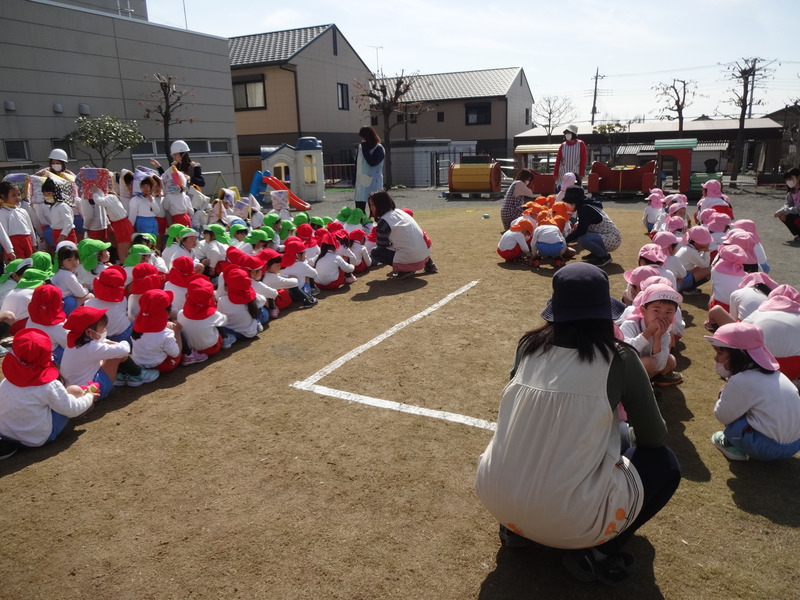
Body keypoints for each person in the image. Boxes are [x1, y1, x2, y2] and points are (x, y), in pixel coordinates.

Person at [475, 263, 679, 585]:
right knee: (664, 463)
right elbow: (654, 437)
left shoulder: (528, 346)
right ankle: (598, 553)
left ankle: (518, 530)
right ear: (604, 314)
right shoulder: (620, 358)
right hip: (571, 520)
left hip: (496, 496)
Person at [705, 322, 800, 461]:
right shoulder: (778, 375)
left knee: (734, 423)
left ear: (739, 354)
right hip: (795, 445)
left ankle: (731, 444)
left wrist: (723, 395)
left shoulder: (741, 380)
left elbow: (722, 415)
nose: (716, 358)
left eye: (720, 353)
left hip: (765, 448)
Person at [0, 328, 96, 454]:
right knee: (75, 391)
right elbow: (71, 410)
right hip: (36, 439)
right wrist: (89, 396)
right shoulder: (49, 386)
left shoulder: (6, 382)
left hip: (6, 433)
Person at [620, 284, 684, 387]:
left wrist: (657, 338)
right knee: (650, 363)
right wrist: (647, 333)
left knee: (670, 361)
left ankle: (645, 384)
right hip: (623, 368)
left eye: (668, 312)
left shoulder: (665, 334)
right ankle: (633, 388)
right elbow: (624, 352)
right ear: (643, 311)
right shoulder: (630, 325)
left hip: (644, 367)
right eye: (656, 310)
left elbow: (660, 365)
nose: (662, 316)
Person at [368, 191, 435, 279]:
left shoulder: (383, 222)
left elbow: (382, 244)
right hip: (425, 253)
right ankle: (428, 263)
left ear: (380, 205)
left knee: (376, 252)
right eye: (370, 205)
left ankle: (405, 269)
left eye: (373, 205)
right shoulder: (399, 212)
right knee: (408, 243)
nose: (371, 208)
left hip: (411, 257)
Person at [563, 187, 621, 267]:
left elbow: (581, 230)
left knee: (582, 239)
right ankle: (596, 254)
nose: (569, 204)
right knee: (582, 235)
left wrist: (565, 240)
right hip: (608, 236)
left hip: (612, 238)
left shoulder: (585, 209)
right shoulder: (586, 205)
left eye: (570, 202)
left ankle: (604, 257)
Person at [0, 180, 36, 260]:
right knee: (19, 267)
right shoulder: (2, 212)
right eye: (14, 195)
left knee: (29, 264)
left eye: (19, 195)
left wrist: (34, 243)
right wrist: (9, 250)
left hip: (27, 241)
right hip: (14, 243)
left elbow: (30, 229)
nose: (18, 197)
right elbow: (4, 233)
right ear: (3, 196)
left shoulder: (23, 211)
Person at [353, 126, 385, 212]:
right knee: (359, 210)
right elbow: (356, 165)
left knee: (376, 207)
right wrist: (353, 180)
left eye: (363, 137)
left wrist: (365, 148)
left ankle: (377, 224)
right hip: (360, 182)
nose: (362, 139)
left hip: (374, 182)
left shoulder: (379, 148)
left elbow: (372, 162)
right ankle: (362, 224)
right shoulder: (360, 147)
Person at [774, 168, 800, 240]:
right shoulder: (791, 191)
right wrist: (782, 211)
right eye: (787, 179)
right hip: (797, 213)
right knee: (783, 215)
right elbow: (788, 203)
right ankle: (798, 233)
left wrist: (783, 211)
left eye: (790, 178)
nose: (789, 181)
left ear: (798, 177)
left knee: (786, 213)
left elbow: (798, 209)